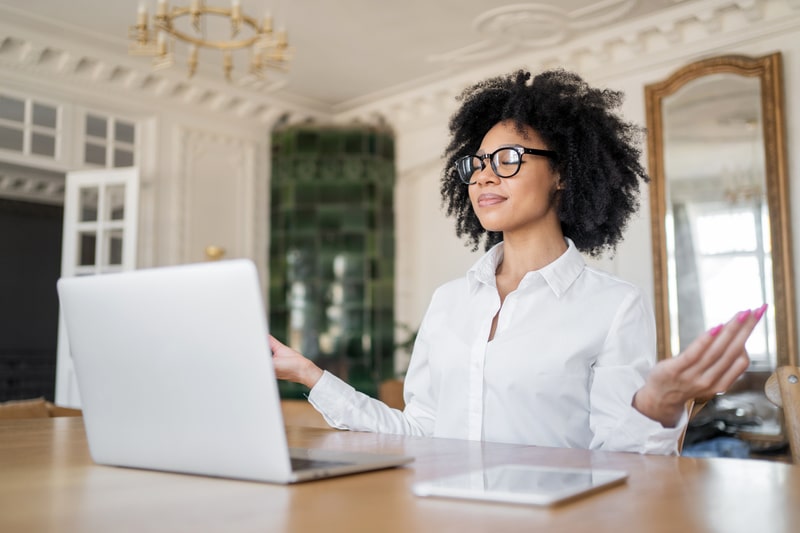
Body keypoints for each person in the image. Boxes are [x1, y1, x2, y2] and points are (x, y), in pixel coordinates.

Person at [269, 68, 764, 455]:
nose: (483, 178)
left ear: (563, 174)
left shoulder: (614, 306)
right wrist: (310, 375)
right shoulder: (449, 302)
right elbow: (418, 433)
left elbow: (623, 463)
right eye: (476, 164)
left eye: (507, 159)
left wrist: (657, 404)